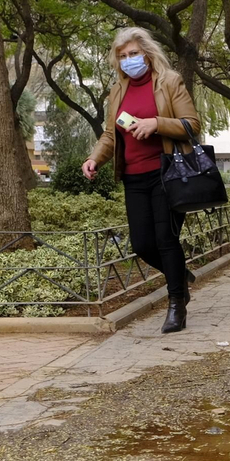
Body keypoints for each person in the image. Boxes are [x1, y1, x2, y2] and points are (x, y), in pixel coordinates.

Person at [83, 27, 201, 334]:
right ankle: (179, 274)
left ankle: (177, 303)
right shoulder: (117, 92)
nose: (128, 60)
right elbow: (111, 134)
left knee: (165, 240)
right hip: (133, 177)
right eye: (122, 56)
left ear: (147, 53)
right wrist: (95, 158)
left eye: (133, 54)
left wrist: (156, 124)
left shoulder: (169, 82)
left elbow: (192, 125)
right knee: (142, 243)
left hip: (166, 174)